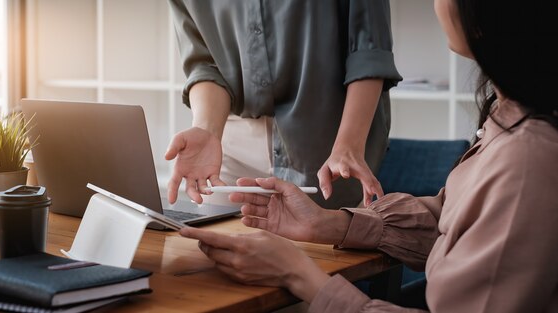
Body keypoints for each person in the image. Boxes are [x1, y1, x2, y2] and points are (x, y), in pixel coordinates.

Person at [178, 0, 558, 311]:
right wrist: (328, 225)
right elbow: (454, 223)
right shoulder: (512, 120)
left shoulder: (527, 161)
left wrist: (298, 274)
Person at [165, 0, 402, 209]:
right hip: (229, 148)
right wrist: (206, 131)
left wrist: (349, 145)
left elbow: (369, 52)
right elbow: (206, 64)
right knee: (213, 252)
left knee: (321, 257)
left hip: (329, 149)